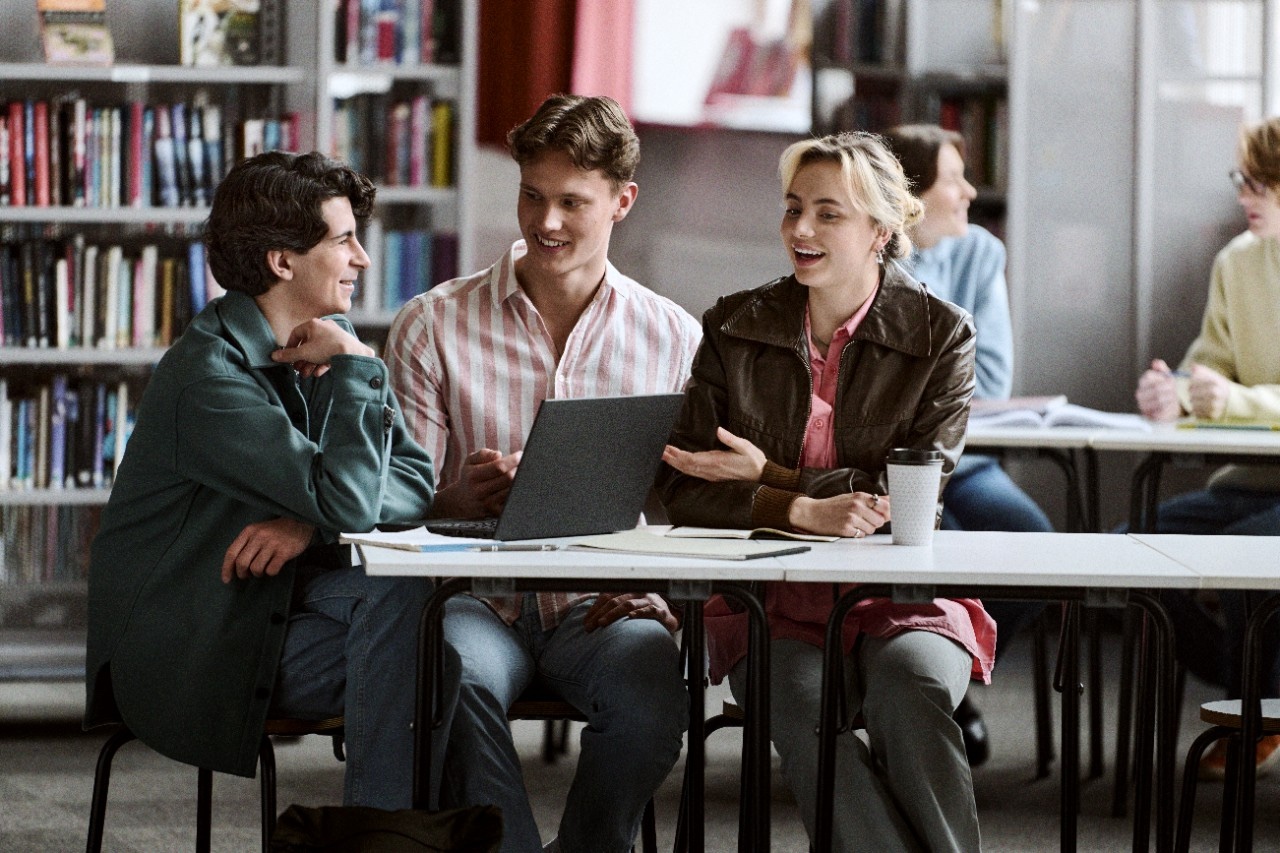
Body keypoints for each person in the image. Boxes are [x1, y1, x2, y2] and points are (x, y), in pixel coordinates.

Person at [657, 131, 994, 852]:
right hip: (769, 604)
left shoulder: (943, 336)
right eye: (792, 209)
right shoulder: (734, 325)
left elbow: (910, 501)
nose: (800, 230)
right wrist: (804, 509)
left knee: (914, 690)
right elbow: (684, 488)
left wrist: (771, 477)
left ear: (882, 229)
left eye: (828, 214)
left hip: (900, 596)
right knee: (804, 713)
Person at [385, 94, 701, 853]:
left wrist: (655, 580)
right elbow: (395, 504)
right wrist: (456, 494)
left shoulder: (674, 336)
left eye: (571, 203)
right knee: (451, 674)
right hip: (473, 598)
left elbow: (689, 502)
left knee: (654, 691)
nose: (546, 222)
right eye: (533, 195)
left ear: (622, 202)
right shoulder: (433, 322)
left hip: (601, 599)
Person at [83, 151, 440, 811]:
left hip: (282, 605)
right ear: (283, 261)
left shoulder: (327, 340)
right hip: (198, 642)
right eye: (344, 240)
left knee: (434, 634)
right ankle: (392, 836)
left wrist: (306, 521)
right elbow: (359, 499)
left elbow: (416, 481)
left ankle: (403, 837)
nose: (362, 258)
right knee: (438, 656)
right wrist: (360, 369)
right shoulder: (210, 378)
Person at [885, 123, 1055, 766]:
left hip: (969, 459)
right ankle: (917, 693)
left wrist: (911, 386)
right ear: (911, 195)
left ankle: (953, 689)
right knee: (929, 552)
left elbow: (992, 379)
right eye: (953, 179)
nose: (968, 191)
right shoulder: (870, 254)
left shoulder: (980, 252)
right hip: (891, 465)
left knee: (1032, 543)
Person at [1134, 115, 1280, 780]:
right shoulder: (1237, 263)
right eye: (1242, 179)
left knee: (1246, 557)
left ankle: (1255, 710)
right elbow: (1208, 368)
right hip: (1248, 480)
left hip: (1263, 505)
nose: (1245, 194)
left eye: (1261, 181)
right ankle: (1260, 686)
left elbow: (1237, 394)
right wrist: (1176, 393)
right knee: (1129, 551)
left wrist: (1240, 401)